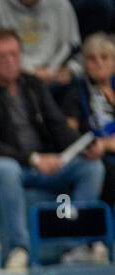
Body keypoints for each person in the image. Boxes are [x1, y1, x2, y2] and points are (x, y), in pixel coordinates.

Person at [0, 28, 107, 269]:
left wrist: (81, 146)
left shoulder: (32, 85)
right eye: (2, 56)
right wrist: (33, 159)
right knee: (6, 170)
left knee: (92, 167)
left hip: (40, 162)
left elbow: (56, 124)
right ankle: (18, 249)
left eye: (14, 54)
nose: (10, 61)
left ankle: (74, 244)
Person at [61, 31, 115, 208]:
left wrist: (107, 144)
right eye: (92, 58)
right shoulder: (76, 92)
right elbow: (69, 133)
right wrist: (93, 147)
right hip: (96, 155)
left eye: (104, 57)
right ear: (85, 63)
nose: (98, 63)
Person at [0, 0, 82, 87]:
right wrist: (30, 73)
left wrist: (69, 69)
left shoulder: (62, 5)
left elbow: (74, 48)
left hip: (56, 78)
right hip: (12, 80)